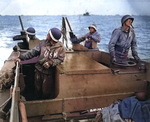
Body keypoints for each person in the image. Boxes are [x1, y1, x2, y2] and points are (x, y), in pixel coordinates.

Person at [15, 28, 66, 99]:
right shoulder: (43, 43)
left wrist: (51, 62)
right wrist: (21, 58)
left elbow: (60, 59)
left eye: (49, 34)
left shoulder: (61, 48)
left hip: (49, 73)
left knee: (46, 91)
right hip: (38, 70)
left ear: (52, 37)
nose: (47, 35)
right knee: (37, 89)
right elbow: (32, 52)